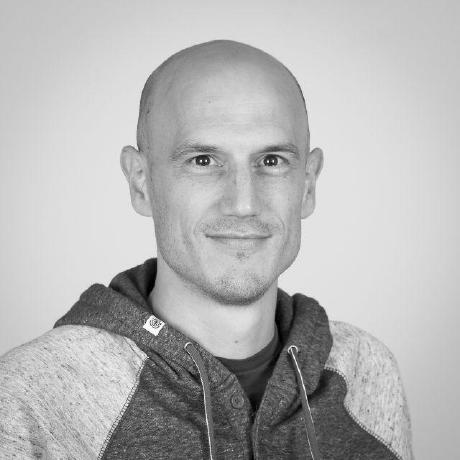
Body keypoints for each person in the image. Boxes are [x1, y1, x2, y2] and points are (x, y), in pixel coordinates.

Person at [0, 40, 413, 460]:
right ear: (141, 182)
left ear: (307, 184)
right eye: (202, 160)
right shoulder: (29, 399)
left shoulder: (363, 372)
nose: (243, 203)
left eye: (272, 161)